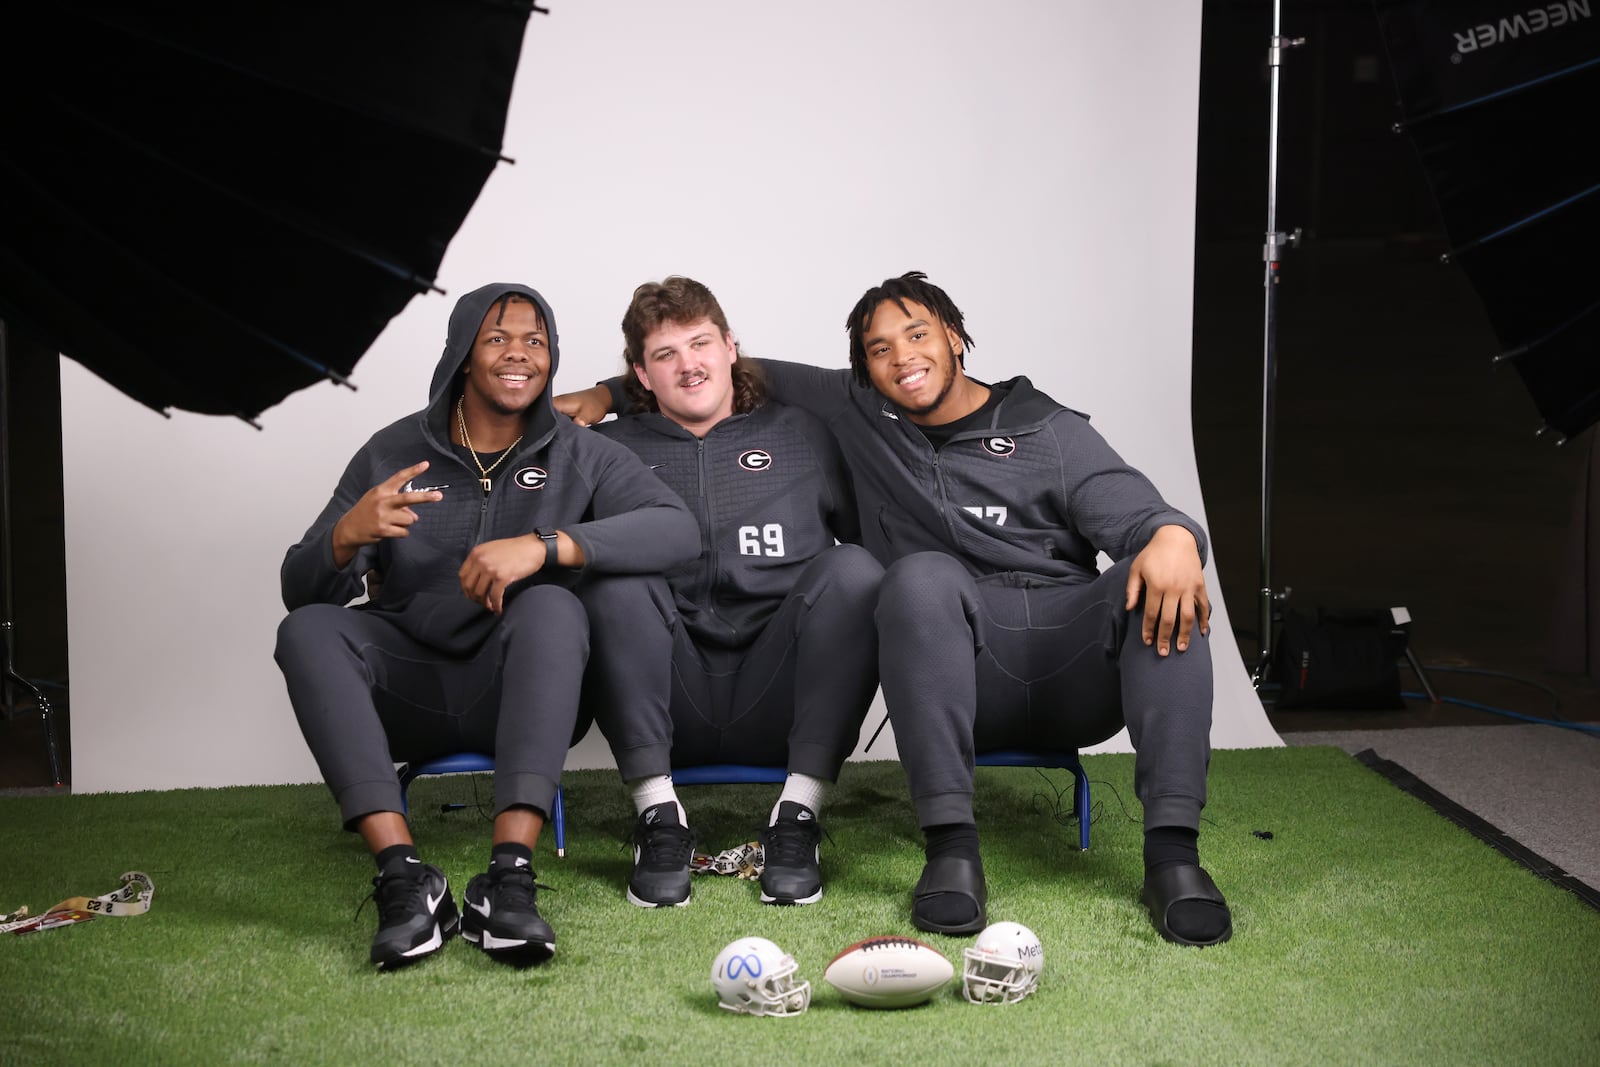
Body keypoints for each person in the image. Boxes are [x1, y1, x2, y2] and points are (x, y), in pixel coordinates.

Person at [558, 271, 1229, 946]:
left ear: (955, 337)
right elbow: (702, 371)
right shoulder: (859, 415)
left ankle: (1174, 859)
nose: (902, 357)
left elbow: (1138, 510)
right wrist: (607, 394)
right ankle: (951, 853)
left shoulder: (1044, 427)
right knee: (917, 577)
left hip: (1070, 661)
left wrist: (1174, 534)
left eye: (917, 335)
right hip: (957, 659)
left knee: (1162, 582)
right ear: (864, 370)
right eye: (880, 348)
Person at [275, 282, 699, 969]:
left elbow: (677, 531)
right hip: (411, 690)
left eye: (536, 340)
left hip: (522, 688)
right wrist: (345, 538)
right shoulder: (393, 451)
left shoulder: (577, 450)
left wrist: (546, 544)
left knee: (554, 602)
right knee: (310, 633)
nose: (519, 355)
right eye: (498, 338)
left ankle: (509, 877)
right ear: (463, 354)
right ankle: (404, 878)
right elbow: (301, 592)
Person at [577, 276, 881, 909]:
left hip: (782, 695)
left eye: (700, 343)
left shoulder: (803, 433)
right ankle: (659, 818)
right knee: (610, 578)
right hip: (669, 696)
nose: (689, 365)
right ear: (641, 373)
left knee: (854, 571)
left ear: (731, 346)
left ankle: (797, 817)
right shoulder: (605, 451)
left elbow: (870, 542)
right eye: (666, 354)